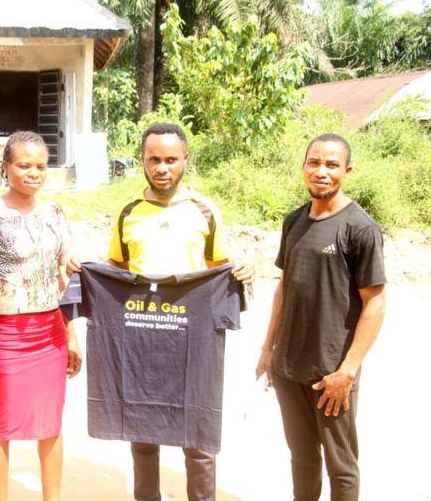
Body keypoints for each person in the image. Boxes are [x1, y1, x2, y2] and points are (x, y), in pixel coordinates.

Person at [106, 122, 253, 501]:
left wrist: (242, 269)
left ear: (185, 159)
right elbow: (116, 270)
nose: (162, 168)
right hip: (142, 336)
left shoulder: (205, 211)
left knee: (198, 432)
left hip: (193, 338)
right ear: (142, 160)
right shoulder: (128, 213)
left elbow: (219, 268)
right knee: (142, 428)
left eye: (171, 159)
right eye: (154, 159)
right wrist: (86, 274)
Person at [255, 134, 386, 501]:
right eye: (314, 162)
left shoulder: (360, 228)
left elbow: (375, 303)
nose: (321, 171)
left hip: (331, 374)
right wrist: (268, 349)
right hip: (288, 368)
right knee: (302, 458)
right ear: (304, 167)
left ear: (347, 171)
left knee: (340, 466)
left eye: (331, 164)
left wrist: (348, 371)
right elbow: (284, 287)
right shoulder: (294, 221)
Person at [0, 131, 82, 501]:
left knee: (51, 422)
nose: (34, 173)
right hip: (4, 334)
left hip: (50, 334)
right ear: (6, 167)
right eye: (25, 165)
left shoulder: (56, 215)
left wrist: (72, 335)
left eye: (41, 166)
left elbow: (64, 277)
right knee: (2, 423)